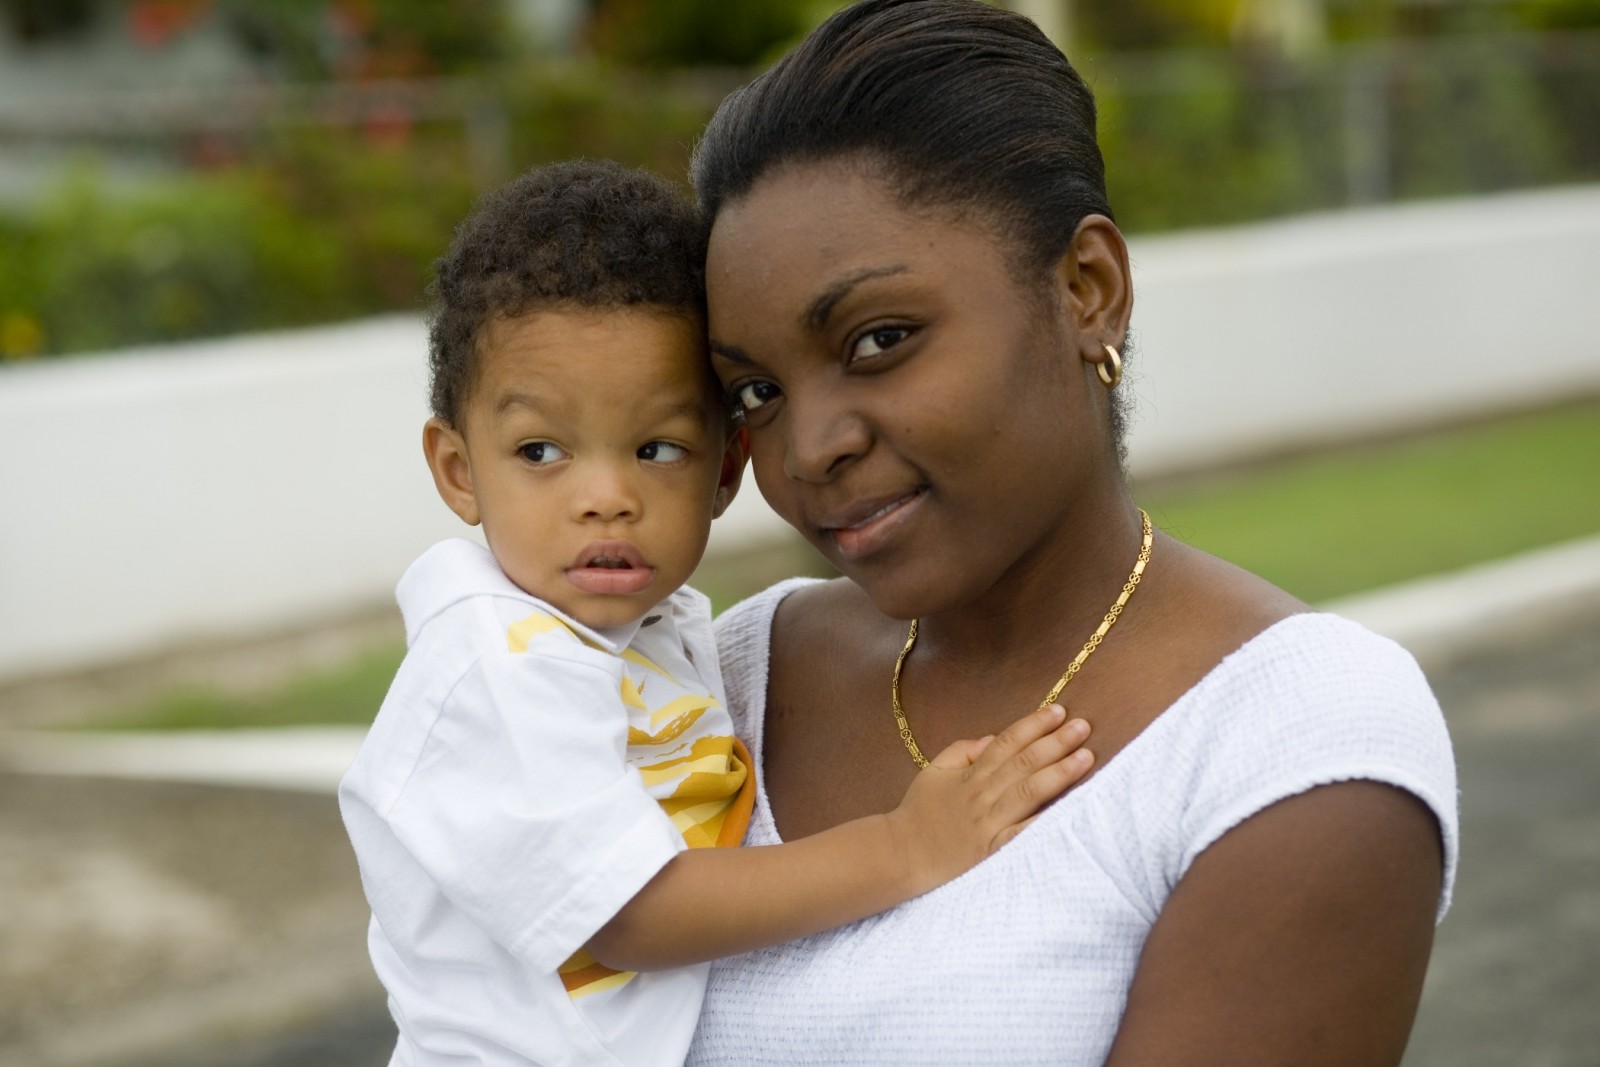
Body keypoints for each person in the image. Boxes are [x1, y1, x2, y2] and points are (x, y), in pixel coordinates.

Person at [685, 2, 1459, 1064]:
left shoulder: (1291, 740)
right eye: (756, 389)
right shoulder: (723, 679)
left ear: (1087, 289)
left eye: (879, 339)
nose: (806, 447)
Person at [337, 159, 1095, 1067]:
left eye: (657, 447)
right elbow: (635, 914)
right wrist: (905, 846)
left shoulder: (650, 635)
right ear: (459, 471)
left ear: (726, 470)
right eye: (541, 450)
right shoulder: (496, 664)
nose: (606, 496)